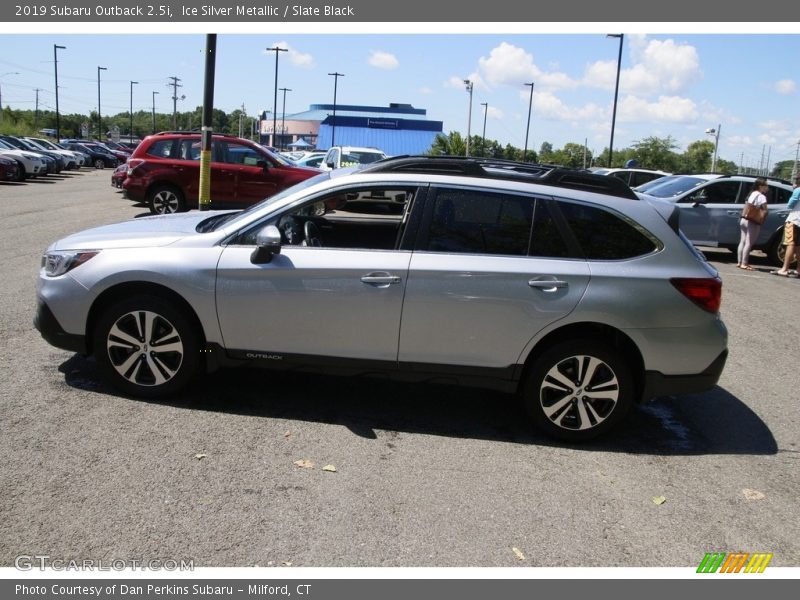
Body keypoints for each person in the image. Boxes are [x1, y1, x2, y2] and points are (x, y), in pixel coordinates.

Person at [737, 177, 768, 270]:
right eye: (766, 186)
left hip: (744, 218)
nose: (767, 188)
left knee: (742, 241)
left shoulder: (752, 193)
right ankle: (744, 263)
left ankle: (739, 262)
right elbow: (765, 209)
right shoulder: (762, 196)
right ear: (761, 186)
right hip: (752, 220)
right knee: (749, 242)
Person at [771, 176, 800, 277]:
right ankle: (798, 269)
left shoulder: (798, 190)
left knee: (790, 244)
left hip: (794, 220)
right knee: (798, 246)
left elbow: (790, 204)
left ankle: (785, 268)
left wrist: (796, 189)